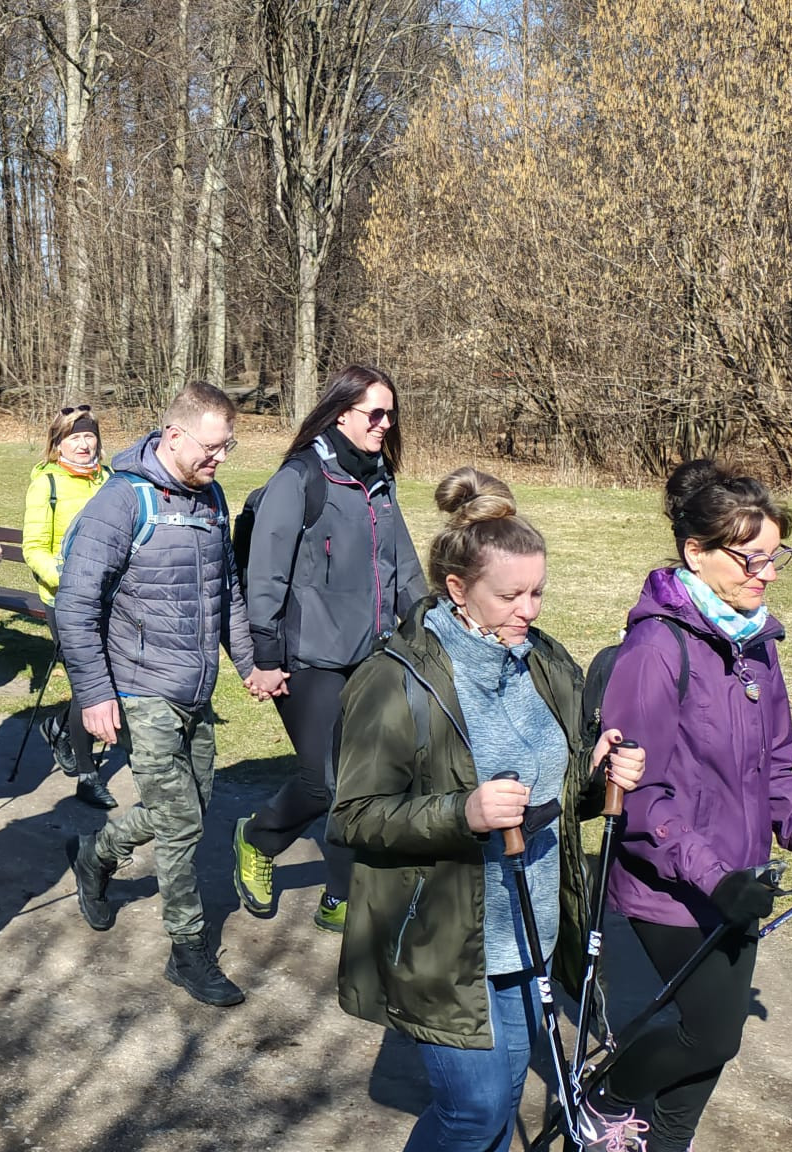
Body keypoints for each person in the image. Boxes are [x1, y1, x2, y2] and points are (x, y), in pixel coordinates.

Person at [328, 467, 648, 1152]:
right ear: (457, 591)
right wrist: (461, 812)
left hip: (530, 930)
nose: (528, 610)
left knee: (499, 1108)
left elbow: (558, 794)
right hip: (442, 942)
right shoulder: (393, 680)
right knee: (474, 1112)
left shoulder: (545, 662)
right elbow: (352, 815)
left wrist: (599, 778)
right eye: (511, 595)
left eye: (537, 592)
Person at [583, 461, 792, 1152]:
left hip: (741, 882)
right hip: (674, 886)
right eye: (752, 558)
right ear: (696, 552)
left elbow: (776, 771)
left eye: (776, 556)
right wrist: (716, 877)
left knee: (715, 1042)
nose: (768, 572)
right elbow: (639, 798)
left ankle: (664, 1141)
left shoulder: (755, 644)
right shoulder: (656, 651)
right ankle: (604, 1100)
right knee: (708, 1029)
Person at [54, 381, 271, 1007]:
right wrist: (95, 694)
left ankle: (95, 853)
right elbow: (75, 606)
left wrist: (250, 663)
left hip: (195, 688)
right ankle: (188, 948)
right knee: (180, 820)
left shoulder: (212, 498)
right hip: (140, 687)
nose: (221, 459)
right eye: (212, 446)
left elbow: (225, 591)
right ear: (173, 436)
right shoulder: (122, 503)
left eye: (227, 447)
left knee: (194, 808)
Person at [234, 364, 428, 933]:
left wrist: (433, 626)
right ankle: (257, 837)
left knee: (363, 777)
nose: (385, 424)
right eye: (376, 413)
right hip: (305, 657)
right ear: (342, 412)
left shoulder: (378, 481)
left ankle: (339, 895)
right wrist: (266, 657)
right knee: (326, 779)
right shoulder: (300, 478)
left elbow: (404, 569)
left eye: (391, 414)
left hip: (367, 655)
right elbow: (264, 578)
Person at [19, 404, 114, 808]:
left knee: (108, 679)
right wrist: (70, 582)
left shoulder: (109, 480)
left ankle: (59, 727)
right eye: (73, 437)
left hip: (111, 598)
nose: (82, 443)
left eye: (88, 435)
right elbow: (34, 549)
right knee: (87, 685)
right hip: (66, 601)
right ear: (57, 444)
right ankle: (88, 775)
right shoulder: (47, 485)